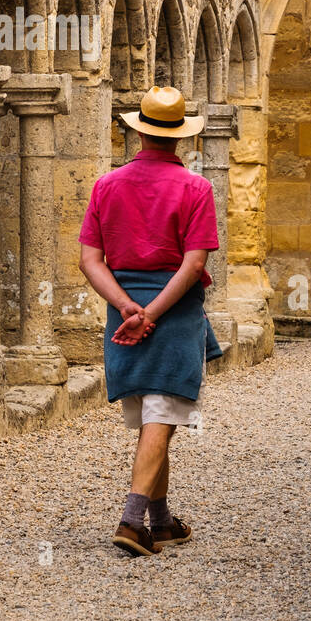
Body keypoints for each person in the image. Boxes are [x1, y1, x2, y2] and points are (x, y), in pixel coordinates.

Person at [78, 84, 221, 557]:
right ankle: (131, 520)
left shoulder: (106, 185)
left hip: (124, 313)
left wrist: (127, 308)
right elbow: (194, 266)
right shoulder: (196, 188)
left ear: (138, 133)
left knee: (150, 414)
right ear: (179, 137)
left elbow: (90, 260)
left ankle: (160, 522)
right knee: (161, 416)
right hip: (172, 314)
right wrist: (152, 314)